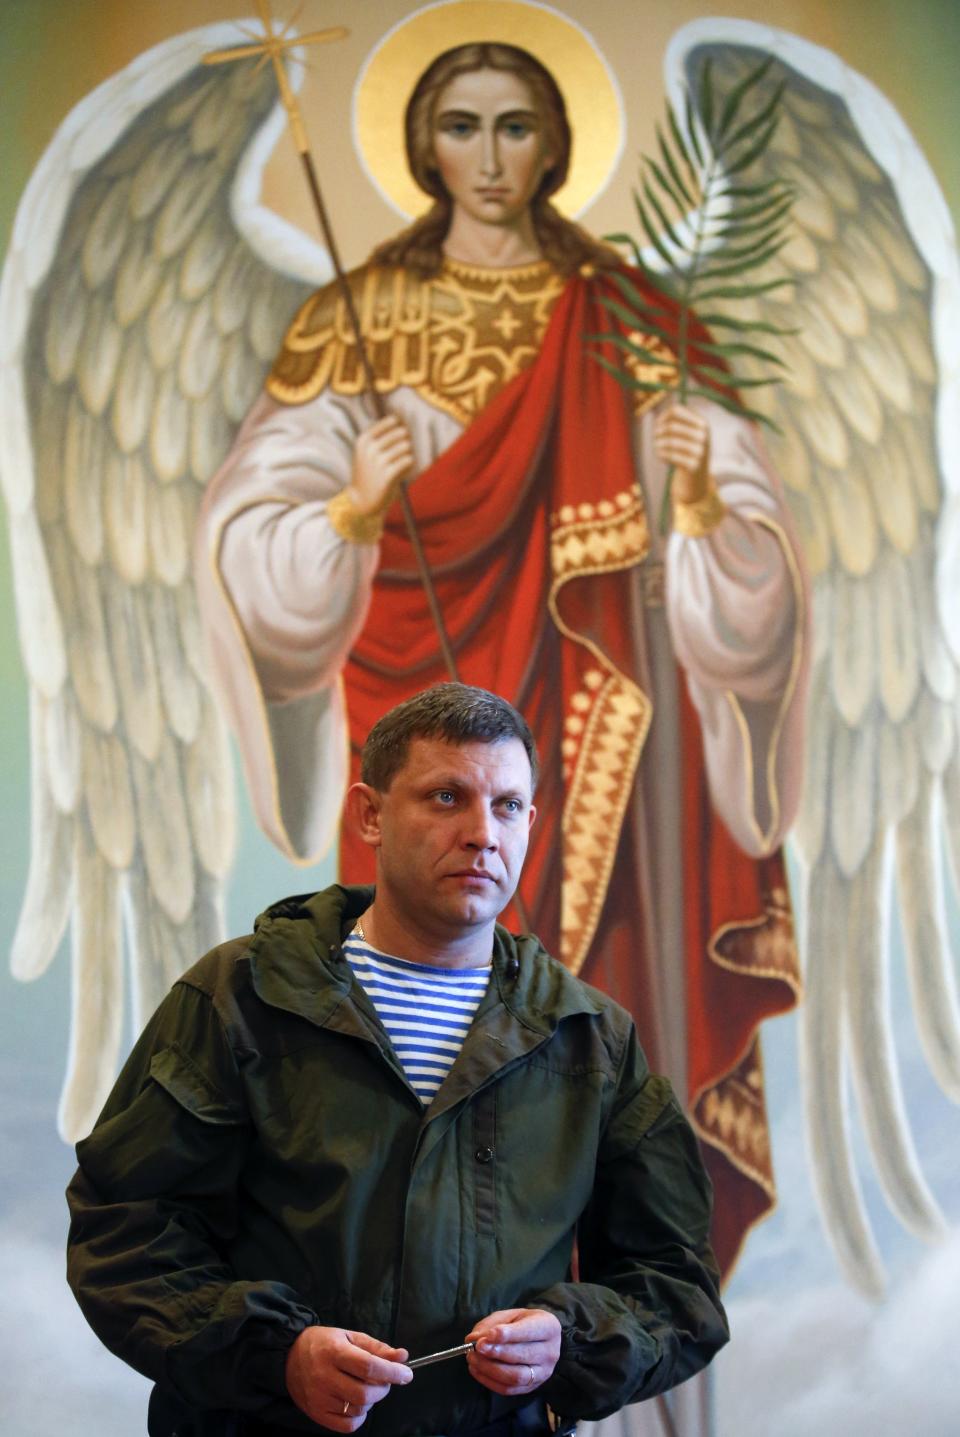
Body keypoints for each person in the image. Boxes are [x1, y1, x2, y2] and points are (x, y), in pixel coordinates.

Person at [195, 42, 808, 1286]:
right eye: (464, 127)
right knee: (419, 1052)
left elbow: (754, 581)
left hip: (604, 743)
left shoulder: (637, 320)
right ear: (424, 144)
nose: (489, 156)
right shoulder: (354, 324)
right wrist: (352, 514)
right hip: (421, 721)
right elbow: (251, 551)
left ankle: (602, 1323)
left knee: (609, 1014)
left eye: (516, 126)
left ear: (555, 143)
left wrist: (698, 508)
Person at [66, 683, 729, 1437]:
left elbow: (678, 1290)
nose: (484, 832)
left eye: (508, 805)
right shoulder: (239, 997)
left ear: (531, 823)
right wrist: (277, 1353)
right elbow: (125, 1229)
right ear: (370, 813)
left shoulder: (589, 1038)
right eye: (447, 796)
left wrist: (569, 1339)